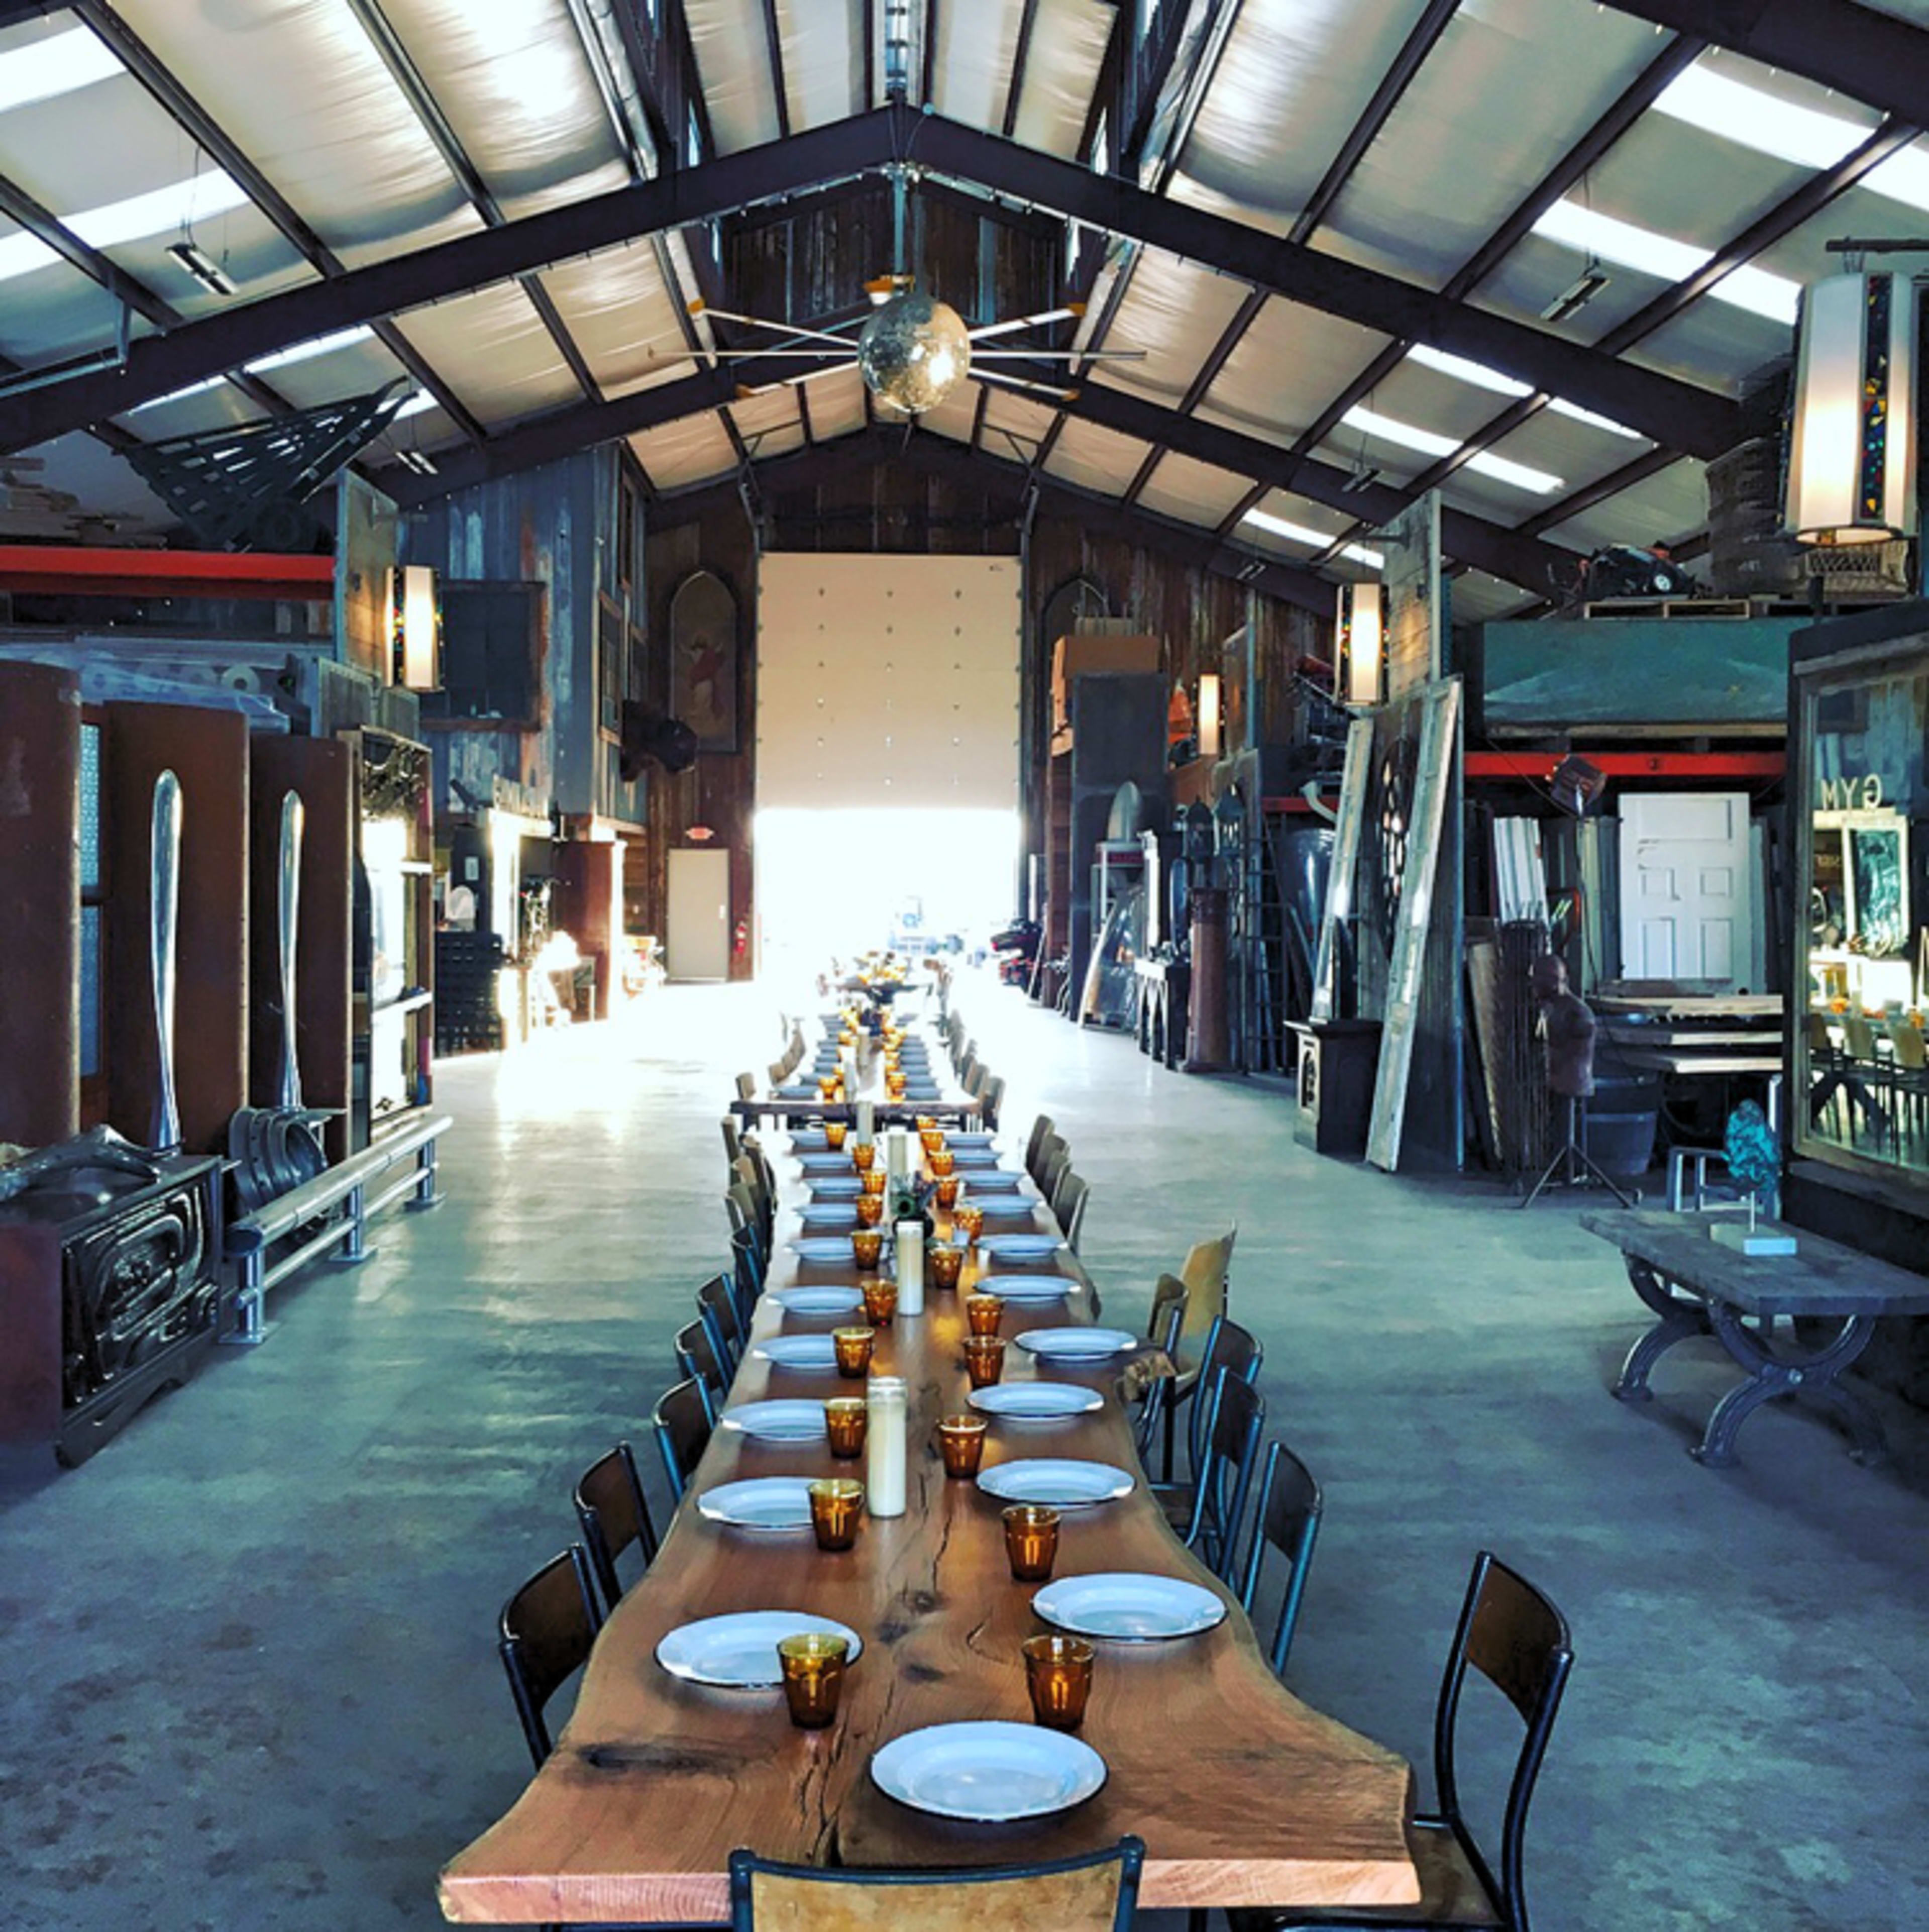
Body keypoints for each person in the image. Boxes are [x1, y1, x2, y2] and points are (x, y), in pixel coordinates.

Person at [1531, 953, 1596, 1098]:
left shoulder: (1576, 1012)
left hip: (1568, 1088)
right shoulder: (1552, 1008)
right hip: (1555, 1086)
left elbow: (1565, 1049)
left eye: (1542, 980)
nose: (1535, 985)